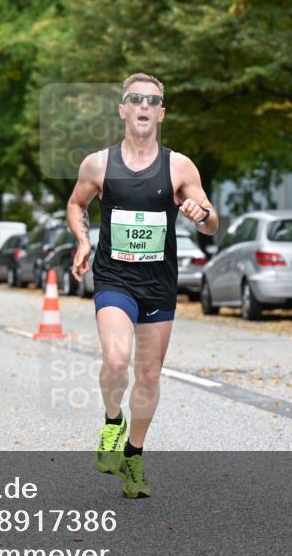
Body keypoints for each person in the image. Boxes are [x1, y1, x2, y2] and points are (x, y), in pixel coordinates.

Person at [67, 73, 218, 498]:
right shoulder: (98, 164)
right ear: (123, 109)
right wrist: (82, 239)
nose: (144, 106)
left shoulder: (180, 166)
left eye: (152, 100)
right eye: (135, 99)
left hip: (159, 284)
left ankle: (134, 455)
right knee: (117, 361)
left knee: (148, 375)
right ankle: (113, 423)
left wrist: (199, 213)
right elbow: (77, 204)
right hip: (114, 277)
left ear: (162, 113)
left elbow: (211, 221)